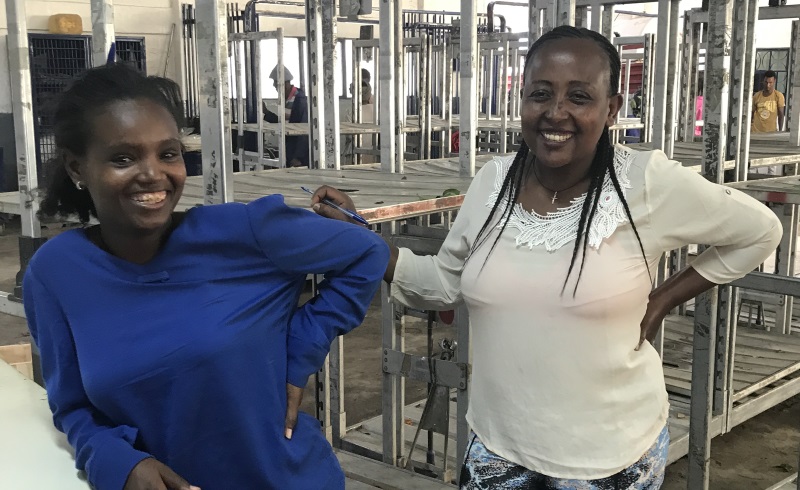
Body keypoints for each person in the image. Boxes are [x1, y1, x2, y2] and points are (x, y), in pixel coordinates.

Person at [311, 26, 782, 489]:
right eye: (540, 94)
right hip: (498, 448)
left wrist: (662, 299)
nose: (556, 113)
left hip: (610, 458)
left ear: (612, 108)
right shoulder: (493, 183)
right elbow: (443, 282)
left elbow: (760, 231)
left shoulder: (647, 181)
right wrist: (362, 238)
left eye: (579, 97)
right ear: (522, 102)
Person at [24, 63, 388, 490]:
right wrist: (115, 461)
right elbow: (72, 407)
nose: (153, 174)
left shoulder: (245, 232)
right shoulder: (55, 273)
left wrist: (299, 352)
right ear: (75, 168)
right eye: (123, 158)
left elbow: (368, 251)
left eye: (169, 153)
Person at [264, 65, 309, 167]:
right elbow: (284, 124)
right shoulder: (289, 100)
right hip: (290, 150)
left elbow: (304, 130)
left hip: (299, 156)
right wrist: (266, 113)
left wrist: (298, 157)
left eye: (276, 85)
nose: (275, 88)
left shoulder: (299, 101)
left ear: (286, 83)